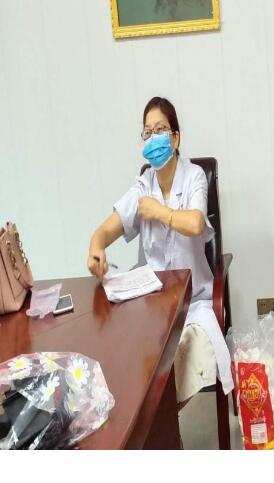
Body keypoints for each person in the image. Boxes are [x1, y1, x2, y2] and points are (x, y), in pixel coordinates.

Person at [87, 96, 233, 407]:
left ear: (175, 138)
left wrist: (159, 211)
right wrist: (95, 246)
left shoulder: (194, 176)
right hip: (151, 306)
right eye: (147, 132)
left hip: (193, 304)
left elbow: (195, 223)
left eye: (160, 130)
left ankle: (160, 421)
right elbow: (106, 230)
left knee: (173, 363)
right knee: (126, 355)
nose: (154, 139)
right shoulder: (143, 186)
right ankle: (148, 421)